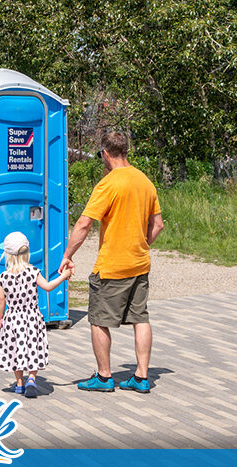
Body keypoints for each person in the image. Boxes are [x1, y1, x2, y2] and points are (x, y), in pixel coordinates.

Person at [58, 131, 164, 393]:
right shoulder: (145, 181)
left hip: (112, 267)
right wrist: (139, 245)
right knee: (140, 319)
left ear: (106, 153)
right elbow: (158, 225)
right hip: (139, 264)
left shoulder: (108, 184)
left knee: (99, 320)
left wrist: (67, 255)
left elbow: (84, 224)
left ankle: (104, 377)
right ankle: (141, 377)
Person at [0, 232, 71, 397]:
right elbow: (49, 286)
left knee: (16, 349)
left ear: (8, 255)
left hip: (12, 318)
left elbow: (1, 299)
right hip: (31, 318)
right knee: (32, 348)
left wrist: (1, 318)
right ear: (27, 252)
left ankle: (19, 383)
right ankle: (31, 378)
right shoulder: (33, 272)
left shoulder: (4, 276)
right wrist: (64, 276)